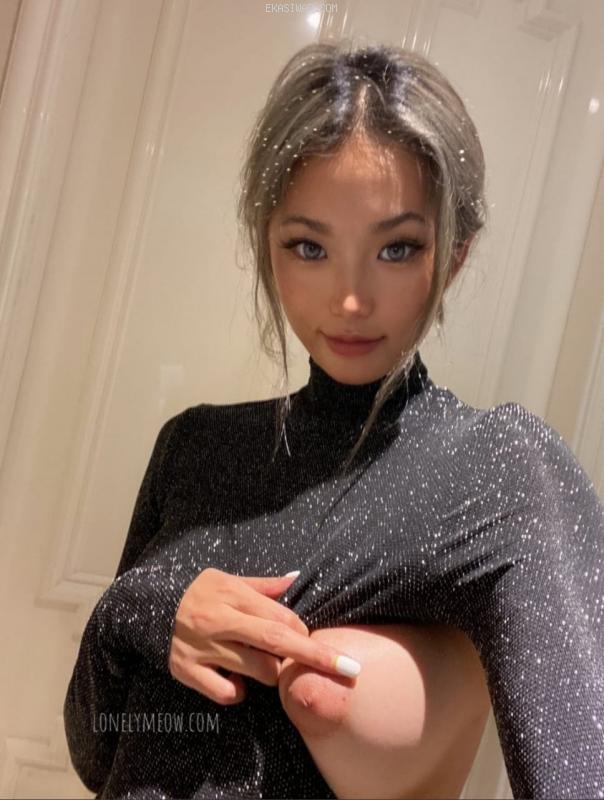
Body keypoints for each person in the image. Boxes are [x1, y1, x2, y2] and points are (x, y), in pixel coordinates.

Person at [63, 40, 604, 799]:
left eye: (397, 248)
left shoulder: (496, 467)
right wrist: (141, 609)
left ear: (455, 254)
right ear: (268, 244)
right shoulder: (193, 447)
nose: (350, 300)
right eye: (309, 247)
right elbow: (96, 753)